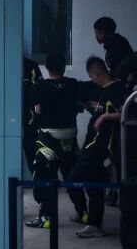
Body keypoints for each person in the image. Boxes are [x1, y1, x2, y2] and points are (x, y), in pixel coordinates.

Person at [25, 51, 85, 229]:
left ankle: (46, 217)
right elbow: (80, 104)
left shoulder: (40, 86)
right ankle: (83, 212)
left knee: (45, 177)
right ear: (64, 67)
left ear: (47, 67)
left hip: (48, 137)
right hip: (70, 136)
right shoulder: (73, 84)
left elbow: (36, 110)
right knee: (71, 175)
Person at [70, 56, 127, 238]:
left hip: (98, 148)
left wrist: (103, 117)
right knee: (93, 185)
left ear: (96, 73)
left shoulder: (115, 90)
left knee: (74, 179)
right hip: (93, 144)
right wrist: (98, 108)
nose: (91, 80)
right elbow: (109, 107)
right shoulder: (106, 90)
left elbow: (125, 112)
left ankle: (85, 214)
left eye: (91, 76)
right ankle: (94, 223)